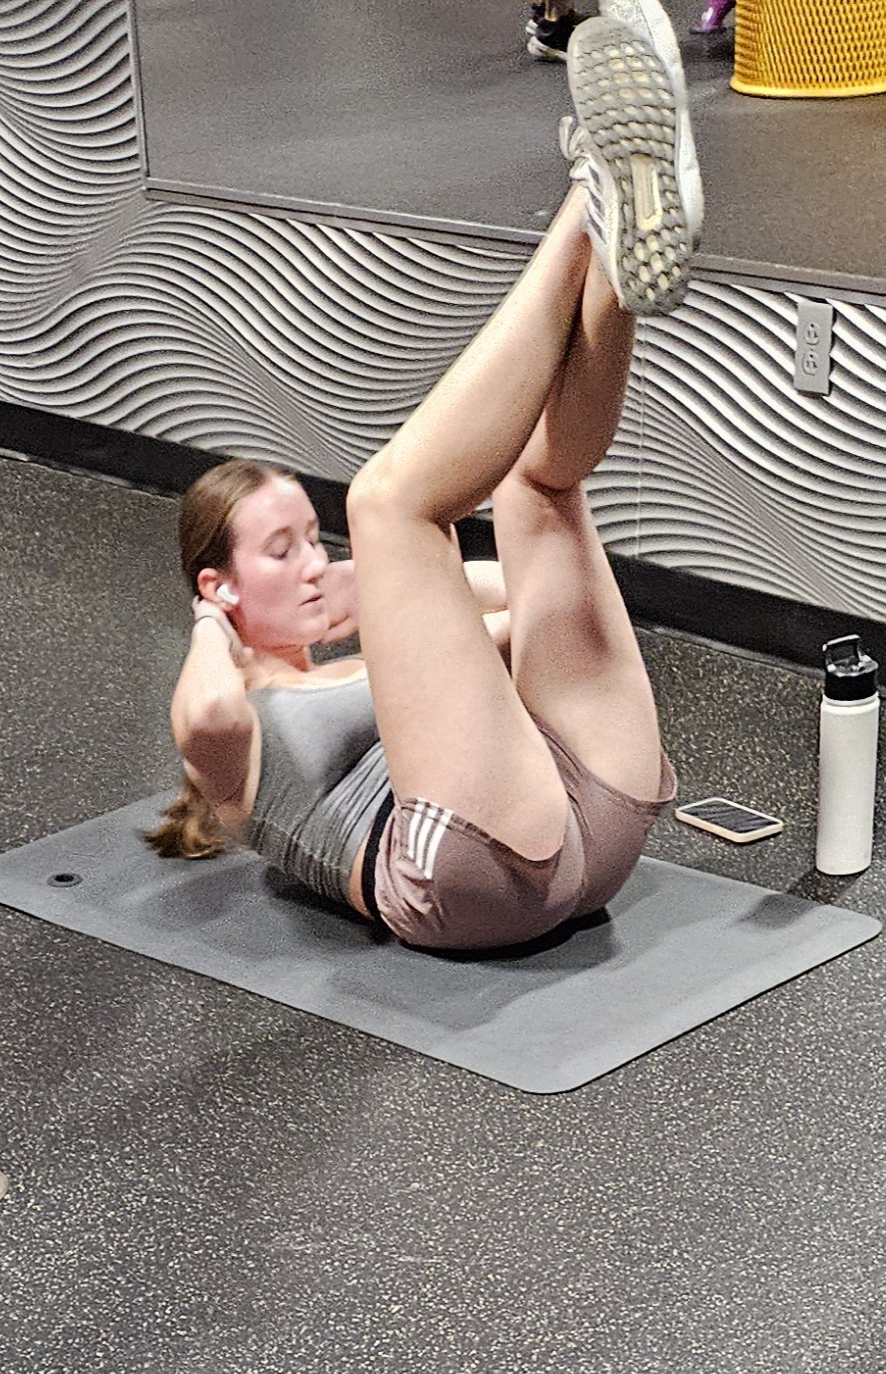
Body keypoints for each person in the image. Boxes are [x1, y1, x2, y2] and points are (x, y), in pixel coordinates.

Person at [149, 0, 704, 951]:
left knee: (538, 490)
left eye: (308, 540)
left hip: (587, 821)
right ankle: (587, 200)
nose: (312, 562)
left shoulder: (371, 667)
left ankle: (609, 220)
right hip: (463, 881)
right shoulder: (231, 746)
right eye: (280, 551)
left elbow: (520, 605)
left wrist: (377, 593)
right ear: (220, 585)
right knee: (386, 504)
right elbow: (203, 710)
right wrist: (215, 627)